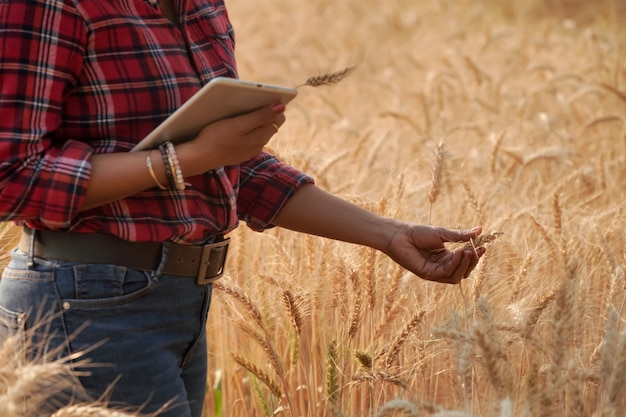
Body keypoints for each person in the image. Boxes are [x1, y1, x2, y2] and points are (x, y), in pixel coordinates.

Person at [0, 0, 486, 416]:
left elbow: (232, 169)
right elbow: (10, 175)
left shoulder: (200, 5)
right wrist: (189, 158)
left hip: (180, 301)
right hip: (83, 305)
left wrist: (388, 234)